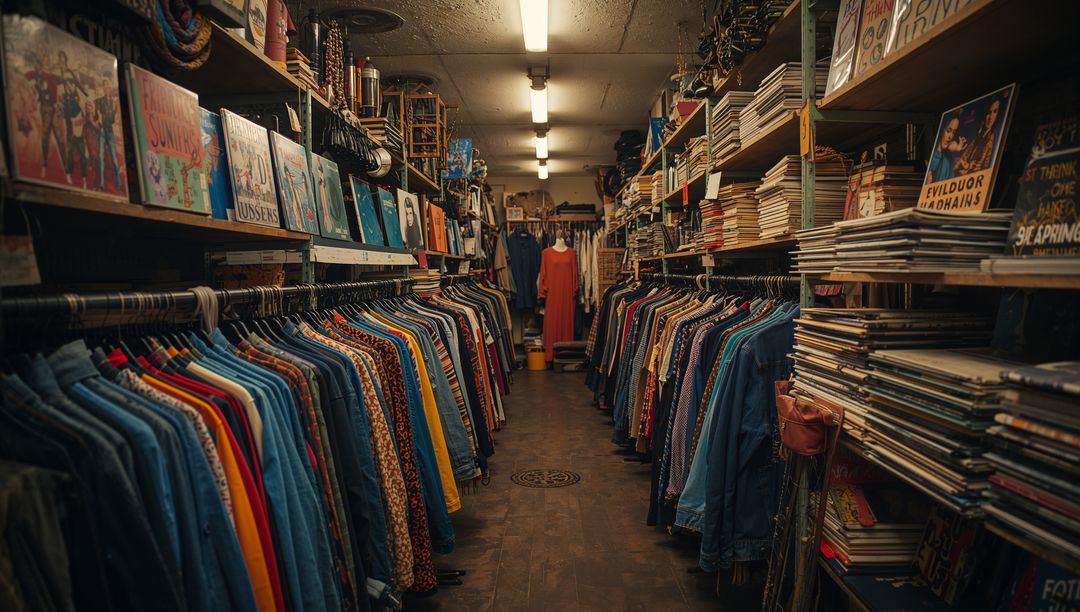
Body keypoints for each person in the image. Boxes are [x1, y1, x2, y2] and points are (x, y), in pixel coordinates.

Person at [24, 51, 70, 182]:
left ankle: (67, 171)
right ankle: (44, 166)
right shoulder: (38, 74)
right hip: (44, 108)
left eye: (47, 59)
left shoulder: (53, 76)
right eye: (44, 60)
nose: (46, 62)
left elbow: (64, 80)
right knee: (44, 137)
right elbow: (27, 75)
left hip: (54, 109)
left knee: (60, 139)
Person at [954, 97, 1003, 176]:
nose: (990, 117)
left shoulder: (992, 138)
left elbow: (980, 168)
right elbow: (958, 164)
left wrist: (965, 165)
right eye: (988, 112)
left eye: (995, 112)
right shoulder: (977, 138)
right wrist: (962, 163)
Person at [95, 79, 122, 191]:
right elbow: (98, 114)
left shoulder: (114, 103)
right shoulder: (99, 101)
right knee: (100, 158)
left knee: (114, 160)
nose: (106, 89)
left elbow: (115, 119)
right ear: (103, 89)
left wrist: (115, 124)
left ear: (110, 89)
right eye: (104, 87)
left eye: (108, 87)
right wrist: (99, 118)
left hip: (110, 131)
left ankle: (118, 183)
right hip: (102, 130)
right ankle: (101, 184)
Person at [926, 113, 965, 183]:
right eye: (948, 131)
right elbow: (930, 170)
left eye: (953, 132)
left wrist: (958, 151)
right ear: (941, 130)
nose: (950, 137)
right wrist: (940, 149)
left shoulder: (947, 159)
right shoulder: (932, 152)